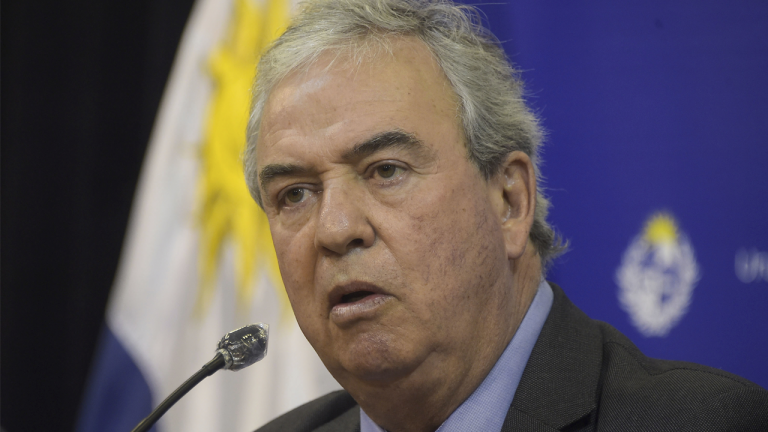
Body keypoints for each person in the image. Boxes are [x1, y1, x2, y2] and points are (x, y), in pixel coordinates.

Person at [244, 0, 768, 430]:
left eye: (386, 170)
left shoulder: (707, 421)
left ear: (509, 201)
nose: (335, 229)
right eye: (295, 194)